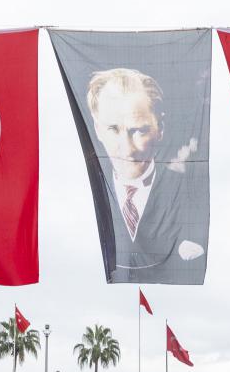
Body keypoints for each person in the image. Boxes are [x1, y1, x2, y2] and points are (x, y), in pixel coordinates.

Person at [85, 67, 206, 284]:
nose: (127, 149)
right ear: (97, 129)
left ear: (160, 128)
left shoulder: (190, 199)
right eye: (113, 129)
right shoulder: (80, 200)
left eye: (138, 130)